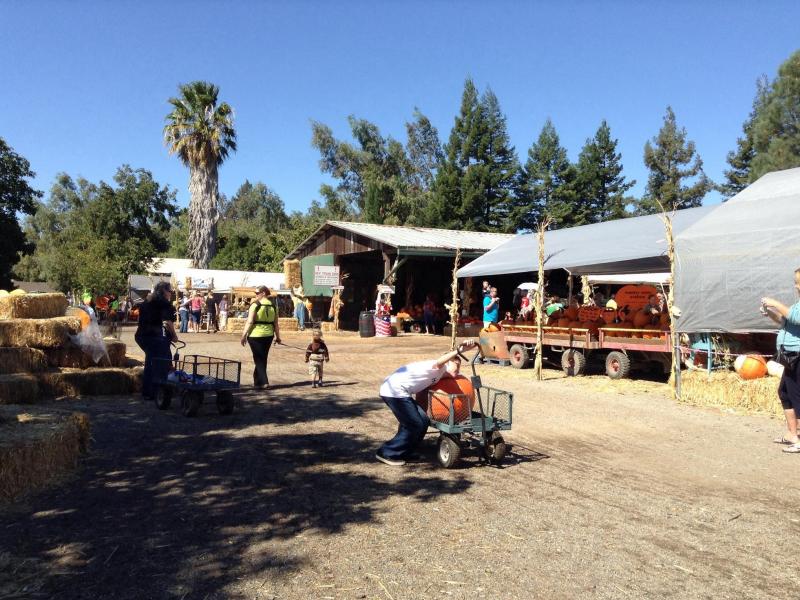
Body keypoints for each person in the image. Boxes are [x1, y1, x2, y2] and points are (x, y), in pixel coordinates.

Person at [376, 339, 477, 466]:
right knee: (415, 424)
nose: (457, 372)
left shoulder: (442, 374)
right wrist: (459, 350)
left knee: (423, 420)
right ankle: (387, 452)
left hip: (402, 392)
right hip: (394, 392)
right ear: (447, 362)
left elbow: (445, 377)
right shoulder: (436, 367)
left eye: (459, 368)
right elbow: (440, 362)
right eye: (455, 367)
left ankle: (406, 451)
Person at [762, 269, 800, 452]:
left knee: (796, 396)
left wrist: (774, 303)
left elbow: (796, 317)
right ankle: (792, 434)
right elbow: (785, 320)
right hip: (791, 357)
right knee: (785, 392)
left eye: (798, 282)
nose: (796, 286)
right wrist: (770, 312)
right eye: (795, 281)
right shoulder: (797, 305)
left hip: (798, 356)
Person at [134, 281, 178, 402]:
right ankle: (156, 392)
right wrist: (174, 336)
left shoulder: (147, 302)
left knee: (151, 362)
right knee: (160, 363)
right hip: (154, 337)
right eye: (170, 291)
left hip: (141, 336)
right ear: (164, 291)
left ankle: (148, 392)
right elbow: (168, 322)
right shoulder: (164, 304)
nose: (171, 293)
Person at [240, 286, 281, 389]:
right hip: (268, 335)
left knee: (258, 359)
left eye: (257, 293)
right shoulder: (273, 306)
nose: (256, 295)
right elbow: (276, 323)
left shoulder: (255, 305)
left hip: (255, 335)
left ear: (263, 293)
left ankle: (264, 381)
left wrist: (244, 335)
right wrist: (278, 336)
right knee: (262, 358)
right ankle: (257, 381)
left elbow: (250, 321)